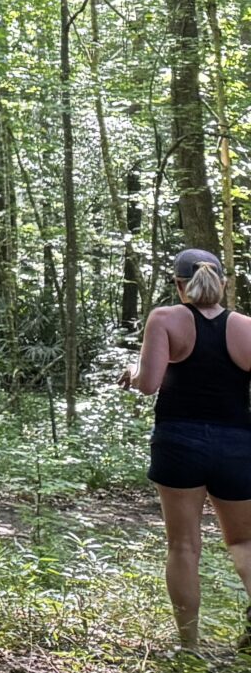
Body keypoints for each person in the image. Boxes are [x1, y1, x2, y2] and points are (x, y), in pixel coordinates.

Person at [121, 247, 251, 652]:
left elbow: (148, 384)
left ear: (180, 285)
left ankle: (189, 647)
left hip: (179, 441)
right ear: (223, 283)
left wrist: (132, 373)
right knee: (245, 543)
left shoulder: (165, 318)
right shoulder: (247, 327)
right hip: (237, 444)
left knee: (183, 545)